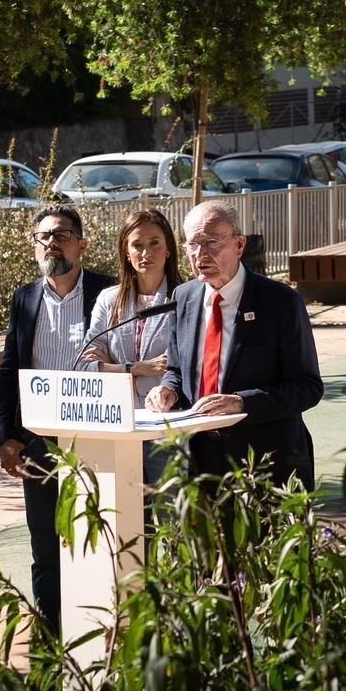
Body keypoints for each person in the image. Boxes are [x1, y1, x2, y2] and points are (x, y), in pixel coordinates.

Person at [0, 206, 116, 637]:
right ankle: (49, 639)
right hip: (41, 442)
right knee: (46, 546)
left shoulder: (109, 292)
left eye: (62, 235)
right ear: (34, 245)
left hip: (98, 437)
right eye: (44, 236)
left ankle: (100, 637)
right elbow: (10, 370)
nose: (52, 243)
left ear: (81, 244)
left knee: (98, 540)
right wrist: (6, 436)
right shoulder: (24, 298)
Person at [145, 201, 323, 489]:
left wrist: (242, 402)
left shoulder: (280, 302)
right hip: (199, 463)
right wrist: (168, 391)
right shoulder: (184, 297)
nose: (200, 254)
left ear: (239, 245)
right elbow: (177, 371)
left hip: (266, 465)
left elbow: (307, 387)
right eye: (193, 244)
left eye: (211, 242)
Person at [74, 207, 181, 489]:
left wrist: (108, 363)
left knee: (170, 517)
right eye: (137, 245)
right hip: (119, 422)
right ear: (126, 252)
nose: (146, 253)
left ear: (168, 248)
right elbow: (85, 365)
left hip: (168, 425)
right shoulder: (109, 300)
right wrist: (138, 368)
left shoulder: (186, 297)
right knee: (125, 518)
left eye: (154, 243)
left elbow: (182, 363)